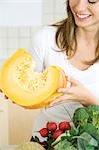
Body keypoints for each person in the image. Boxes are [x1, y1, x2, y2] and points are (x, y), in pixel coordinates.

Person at [30, 0, 99, 141]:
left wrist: (89, 100)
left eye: (92, 0)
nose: (79, 7)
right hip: (45, 142)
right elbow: (29, 88)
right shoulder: (45, 38)